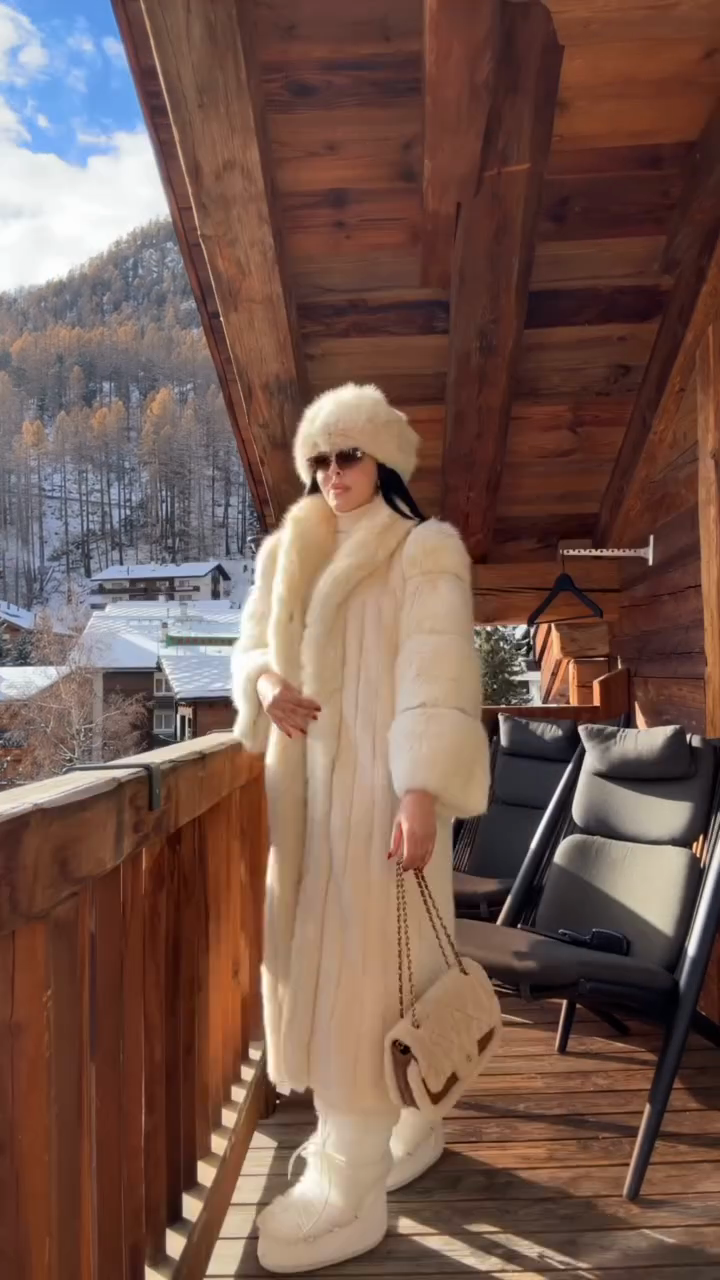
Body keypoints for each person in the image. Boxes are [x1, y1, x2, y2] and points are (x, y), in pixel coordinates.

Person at [232, 383, 489, 1273]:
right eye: (320, 458)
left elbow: (438, 678)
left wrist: (420, 788)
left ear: (383, 461)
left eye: (349, 455)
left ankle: (352, 1174)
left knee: (374, 970)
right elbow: (250, 646)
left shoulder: (422, 548)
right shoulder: (287, 551)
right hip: (303, 801)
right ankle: (400, 1127)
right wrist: (266, 685)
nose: (333, 473)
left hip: (379, 798)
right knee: (326, 959)